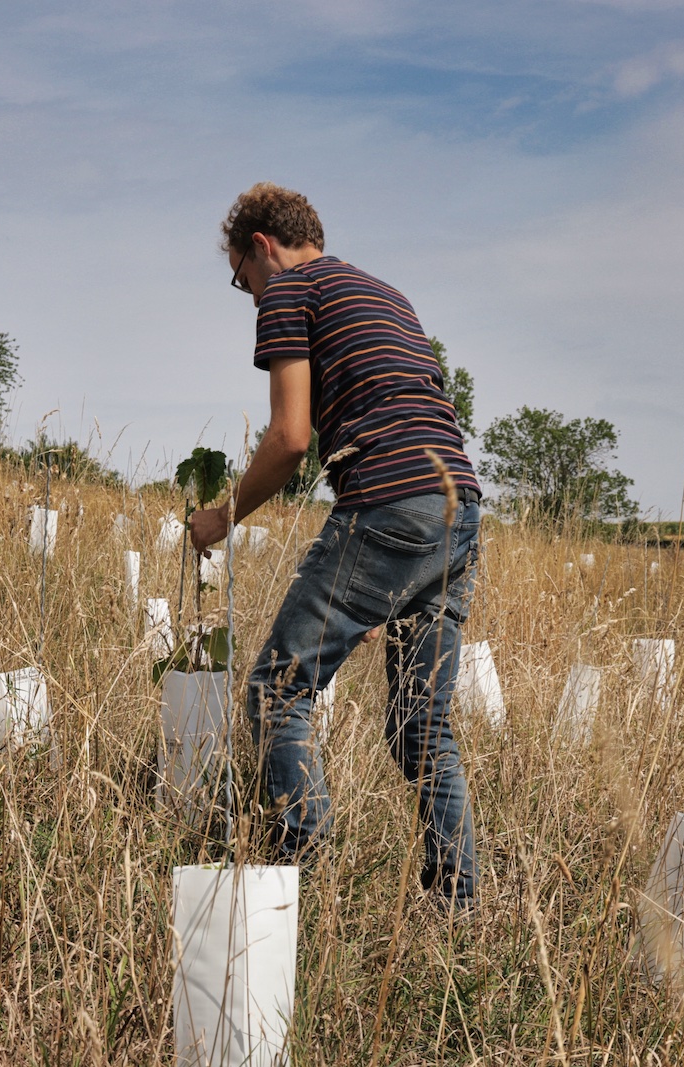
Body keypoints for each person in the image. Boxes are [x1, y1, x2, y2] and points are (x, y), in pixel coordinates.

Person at [188, 182, 486, 908]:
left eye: (242, 277)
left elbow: (291, 437)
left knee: (277, 690)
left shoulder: (290, 292)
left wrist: (220, 516)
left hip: (385, 499)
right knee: (421, 722)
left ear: (262, 247)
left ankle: (300, 878)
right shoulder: (385, 293)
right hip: (459, 511)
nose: (249, 294)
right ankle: (457, 904)